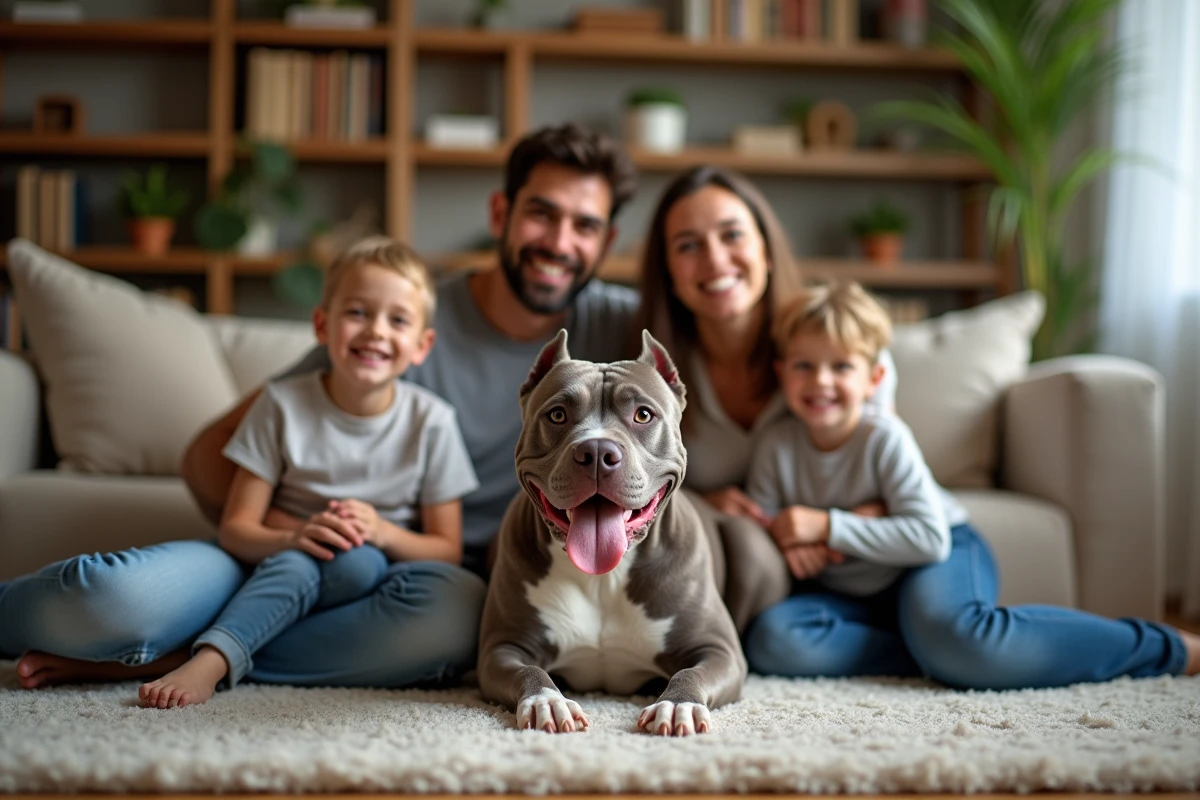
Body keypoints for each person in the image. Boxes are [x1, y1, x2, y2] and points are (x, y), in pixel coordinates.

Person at [0, 122, 639, 690]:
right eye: (541, 213)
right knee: (106, 599)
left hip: (404, 587)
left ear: (606, 240)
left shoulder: (620, 327)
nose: (559, 241)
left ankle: (190, 657)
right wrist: (290, 531)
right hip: (293, 556)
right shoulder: (397, 320)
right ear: (501, 212)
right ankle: (172, 638)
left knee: (449, 629)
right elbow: (205, 456)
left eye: (584, 226)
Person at [633, 165, 1200, 688]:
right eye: (688, 245)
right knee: (775, 642)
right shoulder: (656, 374)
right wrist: (735, 513)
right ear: (668, 270)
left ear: (765, 247)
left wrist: (827, 525)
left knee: (962, 639)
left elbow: (891, 483)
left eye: (732, 234)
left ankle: (1162, 648)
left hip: (917, 545)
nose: (713, 257)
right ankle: (934, 647)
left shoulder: (830, 343)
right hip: (828, 575)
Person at [138, 237, 479, 708]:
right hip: (282, 564)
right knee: (339, 557)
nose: (376, 331)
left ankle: (193, 652)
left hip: (370, 587)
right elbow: (236, 529)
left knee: (391, 572)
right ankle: (213, 658)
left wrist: (379, 531)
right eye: (358, 312)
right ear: (322, 325)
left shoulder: (433, 421)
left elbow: (447, 549)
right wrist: (296, 536)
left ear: (422, 346)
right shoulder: (280, 404)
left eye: (397, 320)